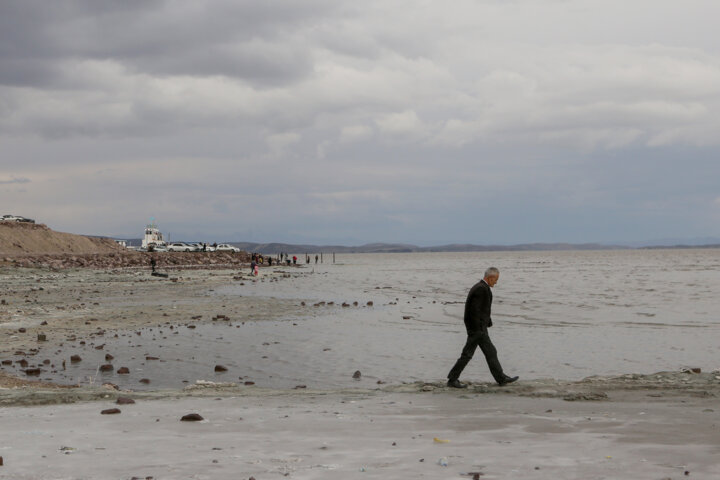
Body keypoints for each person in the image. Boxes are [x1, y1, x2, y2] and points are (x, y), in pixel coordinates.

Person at [447, 267, 518, 388]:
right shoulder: (481, 289)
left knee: (490, 352)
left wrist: (487, 322)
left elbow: (482, 309)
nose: (496, 282)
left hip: (479, 328)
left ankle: (501, 378)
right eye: (495, 279)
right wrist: (479, 329)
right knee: (468, 354)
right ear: (490, 278)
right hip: (477, 330)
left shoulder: (481, 287)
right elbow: (474, 311)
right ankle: (452, 379)